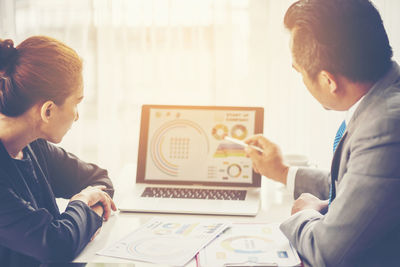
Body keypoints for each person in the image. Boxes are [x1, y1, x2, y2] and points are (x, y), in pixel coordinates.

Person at [245, 0, 400, 266]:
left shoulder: (385, 126)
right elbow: (357, 184)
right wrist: (283, 172)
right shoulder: (383, 95)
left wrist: (303, 213)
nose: (302, 81)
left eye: (300, 73)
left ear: (329, 81)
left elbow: (325, 251)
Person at [0, 36, 116, 266]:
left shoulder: (33, 146)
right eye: (76, 102)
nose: (77, 115)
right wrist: (83, 202)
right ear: (48, 111)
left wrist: (77, 227)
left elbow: (100, 180)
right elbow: (56, 245)